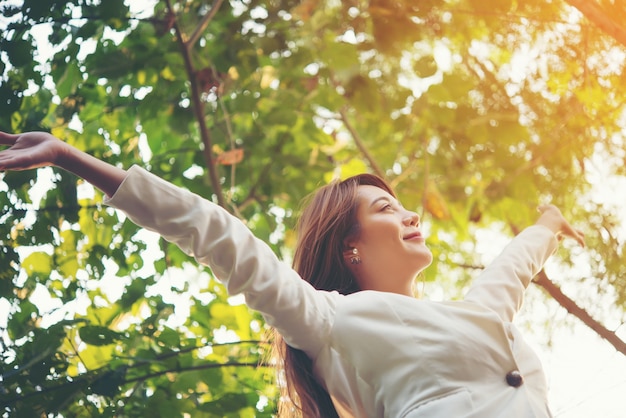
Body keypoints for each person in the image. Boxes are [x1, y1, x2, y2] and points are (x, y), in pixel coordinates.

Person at [0, 131, 585, 418]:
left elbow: (511, 269)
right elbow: (220, 235)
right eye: (384, 209)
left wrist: (549, 225)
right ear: (348, 246)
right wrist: (70, 158)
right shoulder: (331, 320)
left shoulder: (470, 315)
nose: (410, 214)